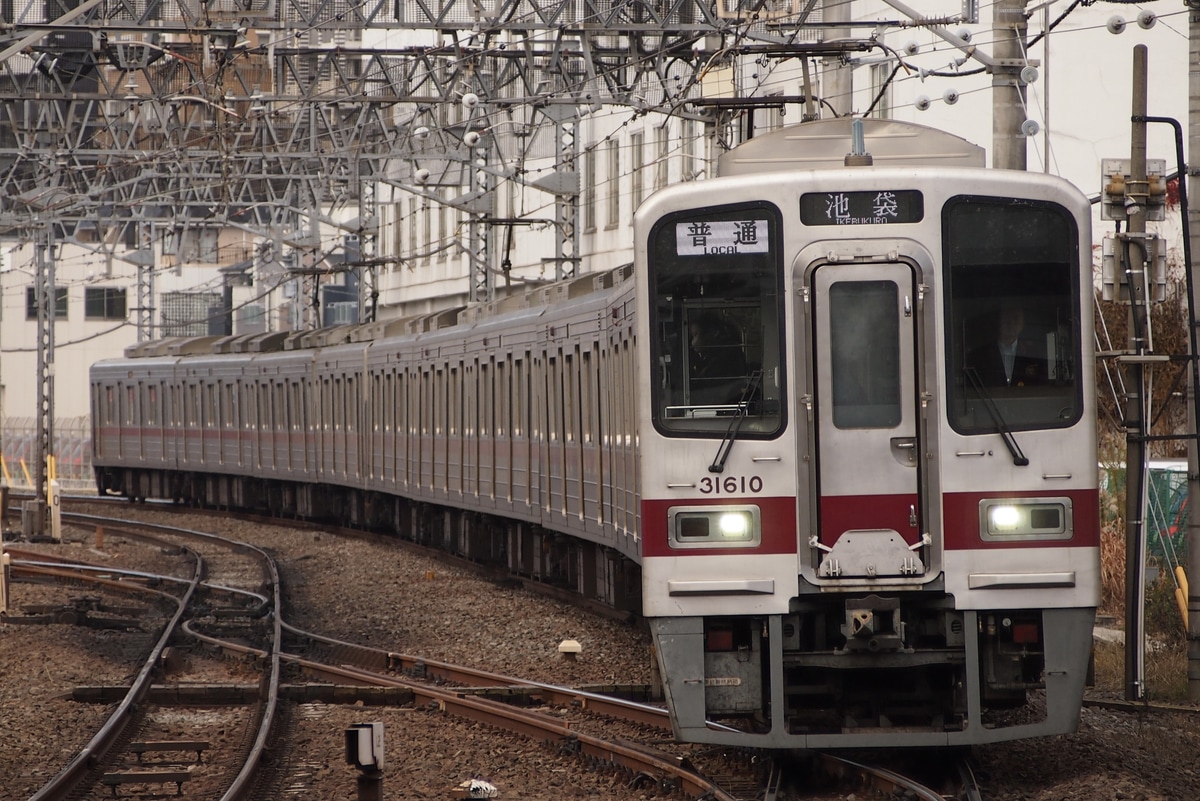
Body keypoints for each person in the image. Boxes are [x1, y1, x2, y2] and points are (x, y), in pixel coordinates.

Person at [967, 304, 1048, 387]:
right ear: (998, 321)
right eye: (1006, 318)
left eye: (1016, 318)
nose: (1011, 323)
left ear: (1023, 324)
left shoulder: (1035, 354)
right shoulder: (979, 355)